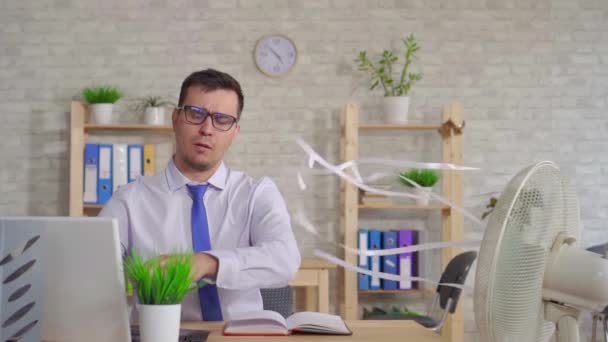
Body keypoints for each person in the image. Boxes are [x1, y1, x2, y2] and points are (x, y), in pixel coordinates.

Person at [99, 69, 301, 321]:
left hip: (239, 337)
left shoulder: (256, 193)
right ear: (175, 119)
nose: (207, 129)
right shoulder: (129, 200)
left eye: (222, 120)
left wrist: (207, 263)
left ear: (235, 132)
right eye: (196, 114)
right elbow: (92, 273)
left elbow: (285, 259)